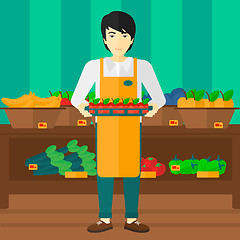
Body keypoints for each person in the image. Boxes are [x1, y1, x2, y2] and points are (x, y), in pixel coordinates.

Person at [71, 11, 166, 233]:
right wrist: (85, 108)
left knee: (132, 170)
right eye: (112, 35)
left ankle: (132, 218)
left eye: (124, 36)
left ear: (132, 39)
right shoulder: (94, 66)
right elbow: (77, 98)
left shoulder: (142, 66)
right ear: (104, 39)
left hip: (132, 126)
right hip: (104, 126)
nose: (118, 42)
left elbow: (159, 98)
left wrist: (150, 109)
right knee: (104, 170)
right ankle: (104, 218)